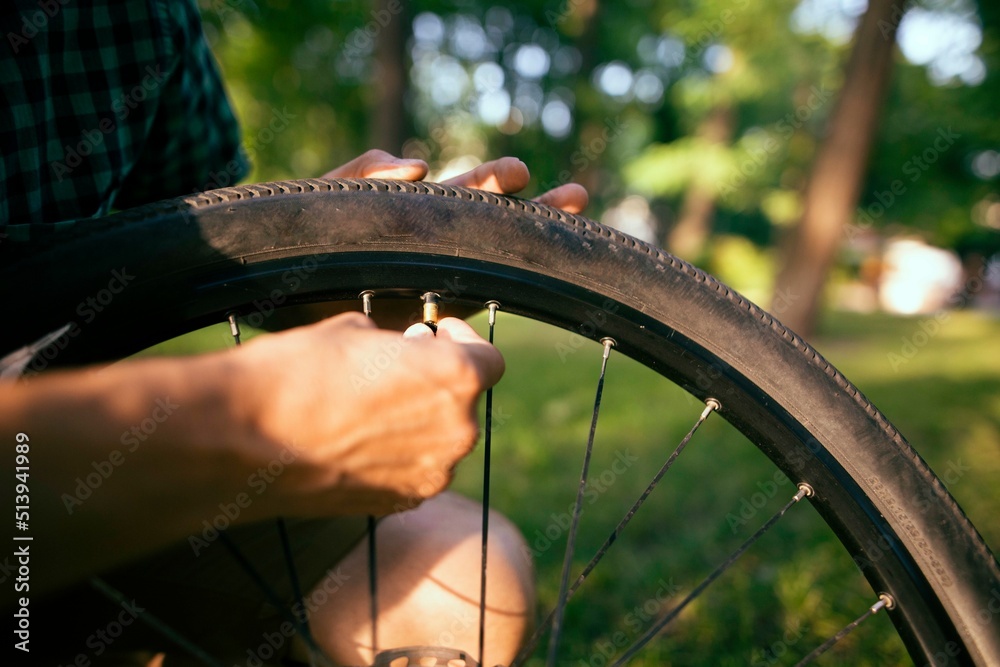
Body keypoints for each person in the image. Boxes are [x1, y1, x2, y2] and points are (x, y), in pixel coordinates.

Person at [0, 1, 587, 665]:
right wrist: (259, 422)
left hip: (102, 479)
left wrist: (331, 271)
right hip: (50, 474)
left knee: (464, 589)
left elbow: (188, 262)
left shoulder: (145, 18)